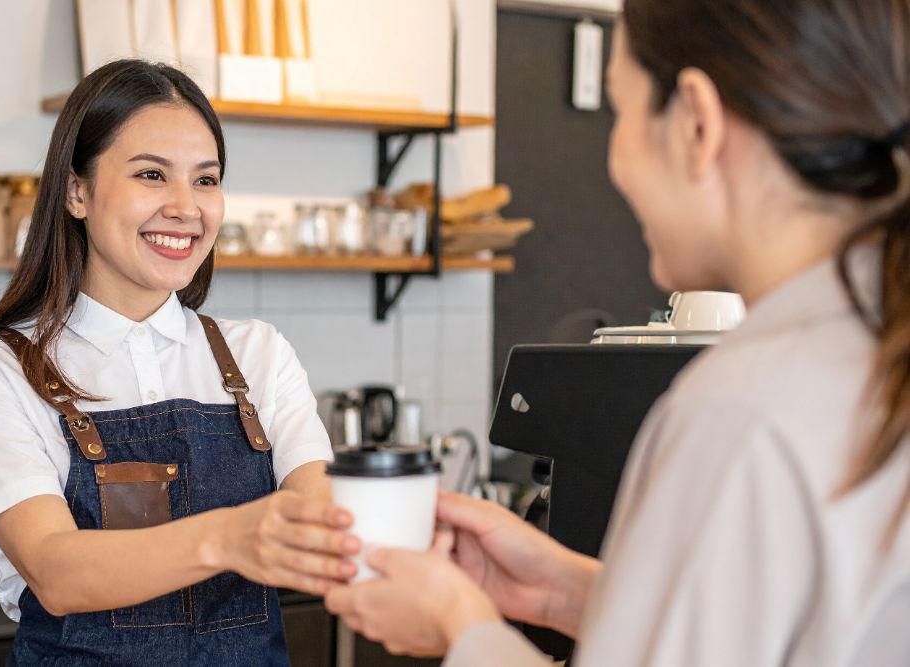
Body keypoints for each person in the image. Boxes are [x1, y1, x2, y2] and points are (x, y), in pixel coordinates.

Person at [324, 1, 910, 665]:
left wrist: (464, 627)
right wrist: (565, 592)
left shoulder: (742, 409)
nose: (613, 157)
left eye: (619, 109)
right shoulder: (861, 346)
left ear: (696, 122)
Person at [0, 59, 359, 665]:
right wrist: (232, 536)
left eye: (206, 179)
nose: (186, 208)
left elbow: (319, 509)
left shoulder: (258, 354)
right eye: (151, 175)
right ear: (76, 192)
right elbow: (57, 572)